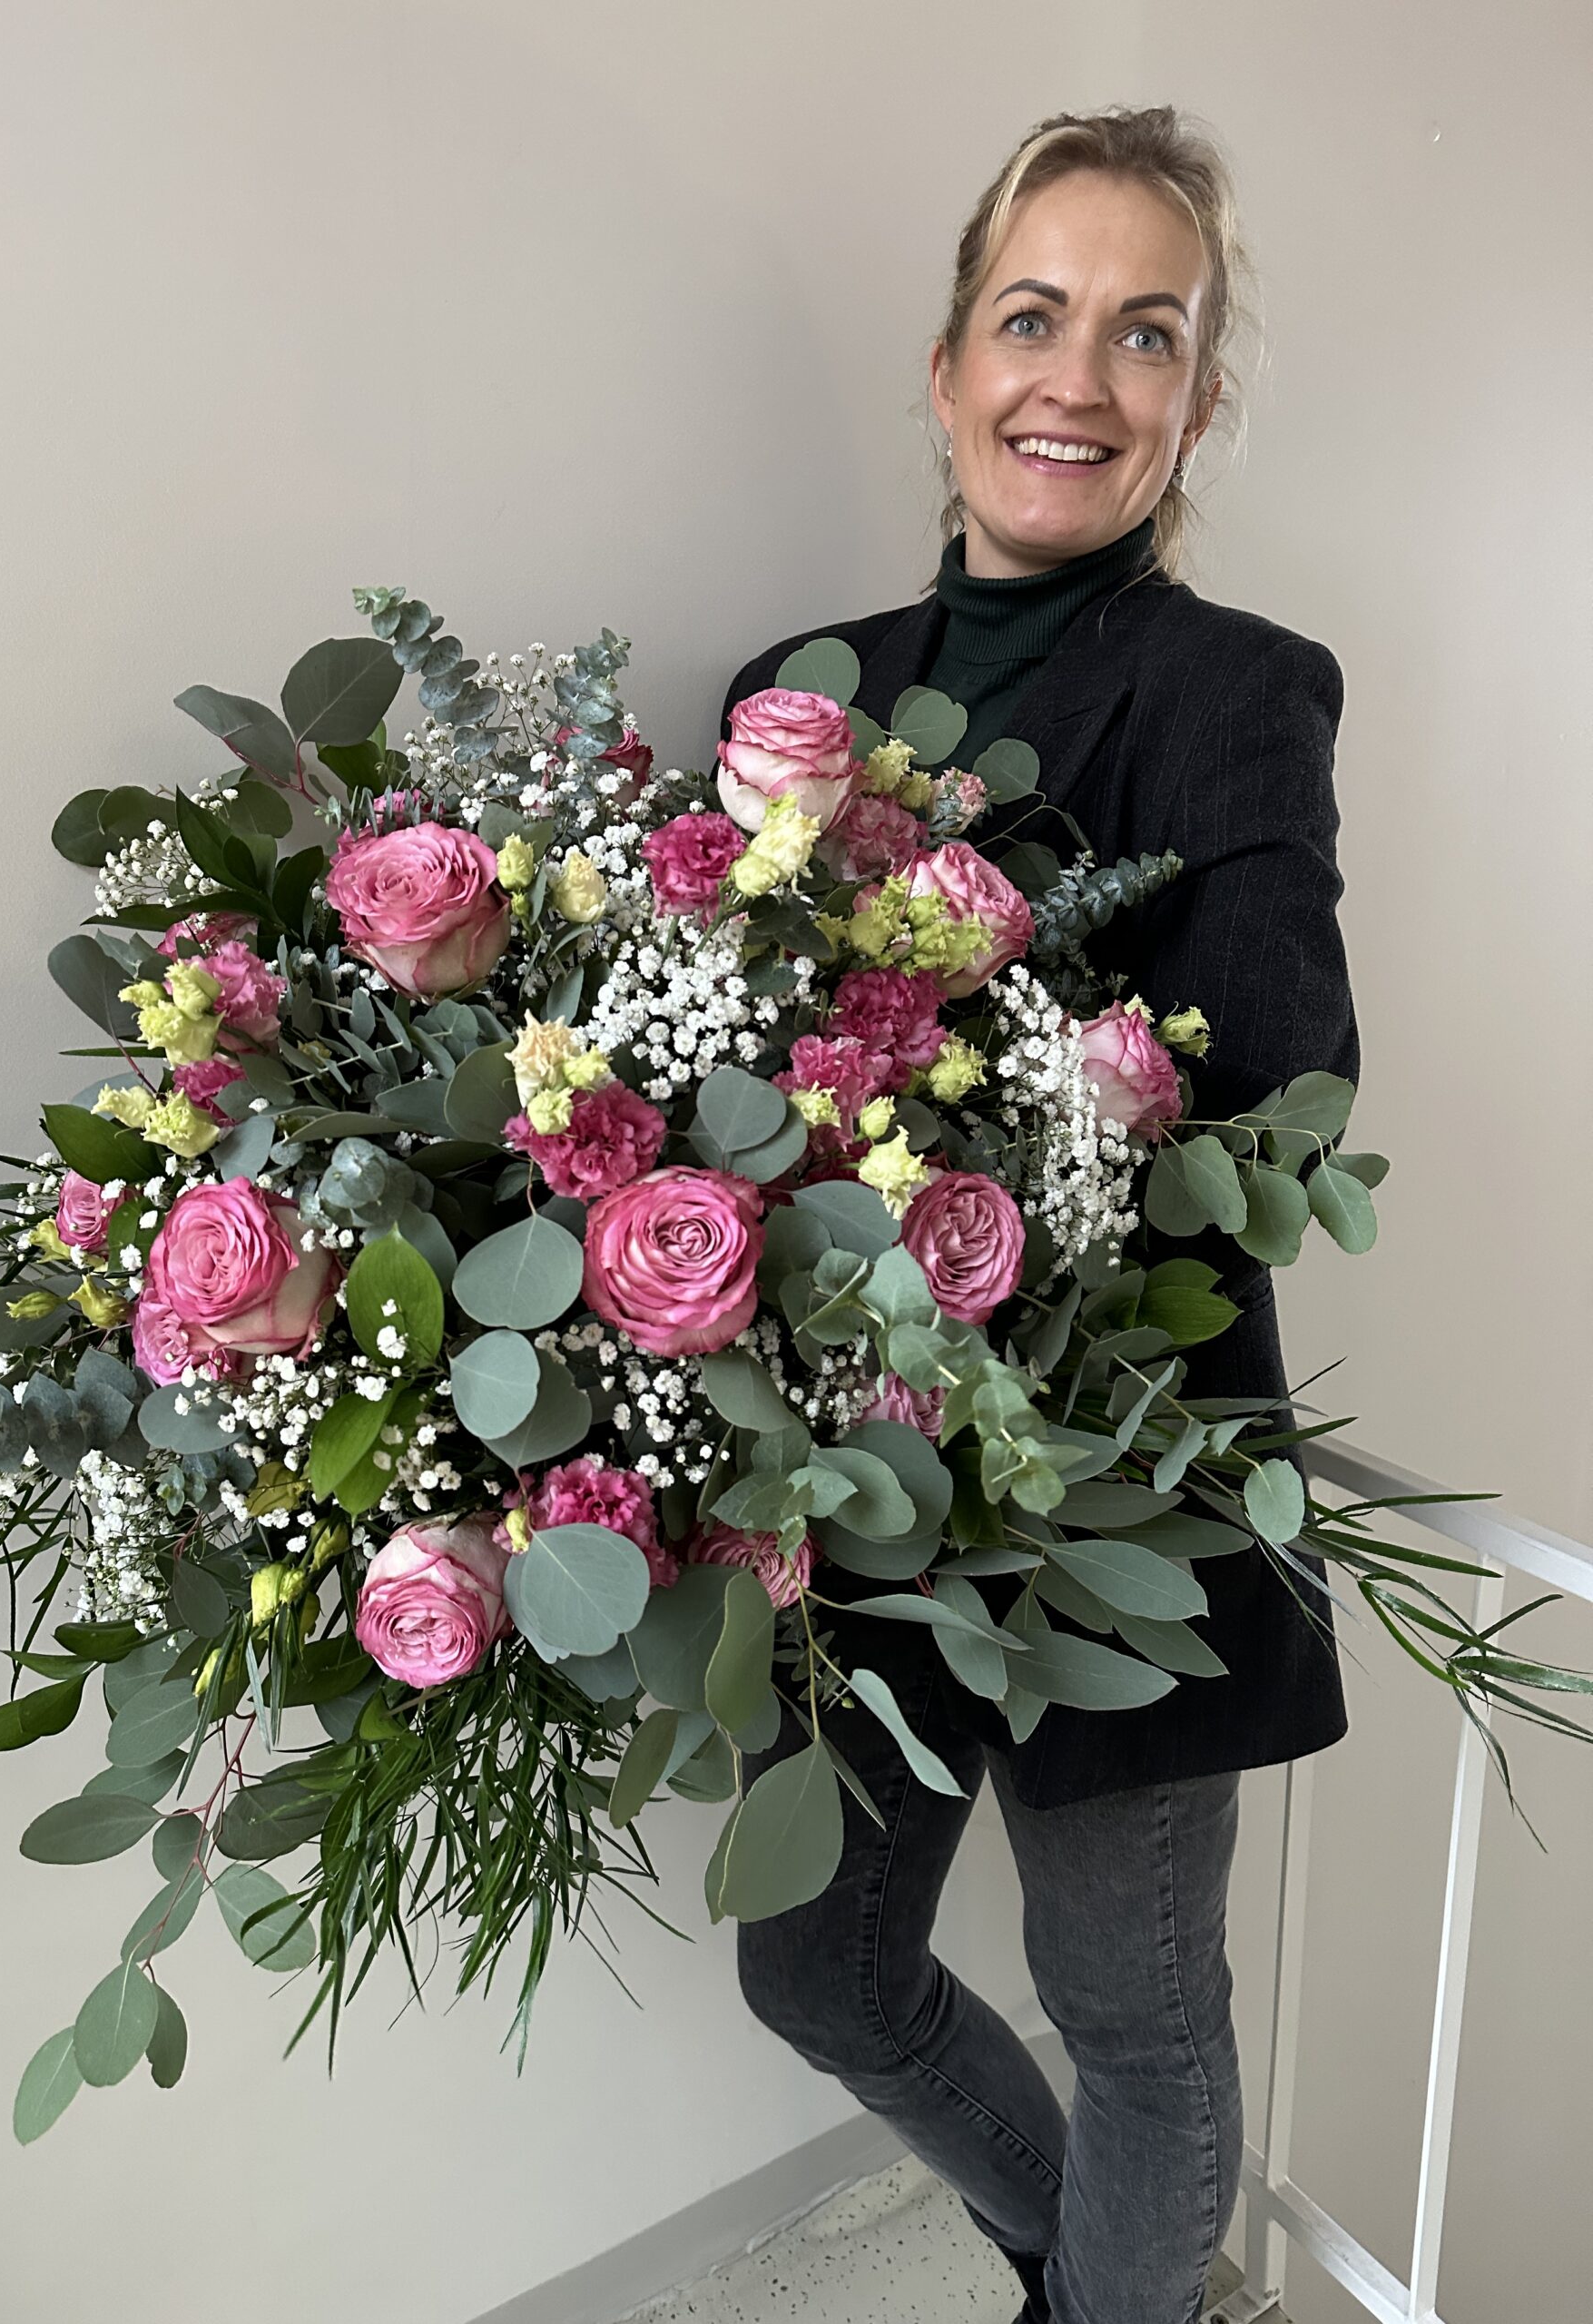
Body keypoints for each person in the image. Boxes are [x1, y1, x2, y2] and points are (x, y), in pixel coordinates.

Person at [717, 104, 1360, 2324]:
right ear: (945, 368)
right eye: (1033, 315)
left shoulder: (1237, 686)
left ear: (1196, 400)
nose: (1078, 376)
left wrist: (962, 1074)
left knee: (1138, 2014)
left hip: (1122, 1483)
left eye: (1145, 332)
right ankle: (1090, 2267)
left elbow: (1279, 1087)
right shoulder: (797, 688)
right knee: (813, 1963)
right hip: (850, 1481)